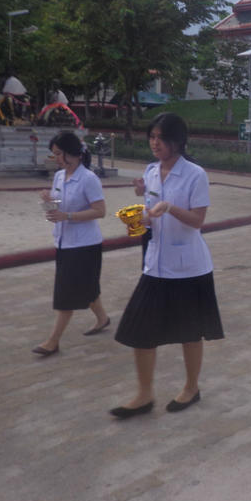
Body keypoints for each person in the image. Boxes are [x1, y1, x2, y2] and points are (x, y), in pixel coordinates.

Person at [112, 113, 223, 418]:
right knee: (139, 330)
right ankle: (144, 394)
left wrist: (171, 208)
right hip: (155, 264)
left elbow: (198, 221)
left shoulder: (195, 174)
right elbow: (150, 212)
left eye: (161, 138)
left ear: (178, 140)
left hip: (188, 267)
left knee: (190, 332)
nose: (155, 143)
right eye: (152, 137)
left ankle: (191, 387)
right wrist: (139, 220)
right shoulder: (150, 172)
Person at [34, 131, 109, 356]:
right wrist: (49, 202)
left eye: (59, 154)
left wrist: (67, 216)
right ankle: (103, 318)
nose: (55, 158)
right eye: (54, 154)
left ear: (72, 153)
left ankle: (53, 341)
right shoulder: (59, 177)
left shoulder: (88, 178)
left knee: (66, 293)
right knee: (86, 288)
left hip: (85, 245)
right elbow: (59, 206)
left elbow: (100, 211)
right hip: (63, 241)